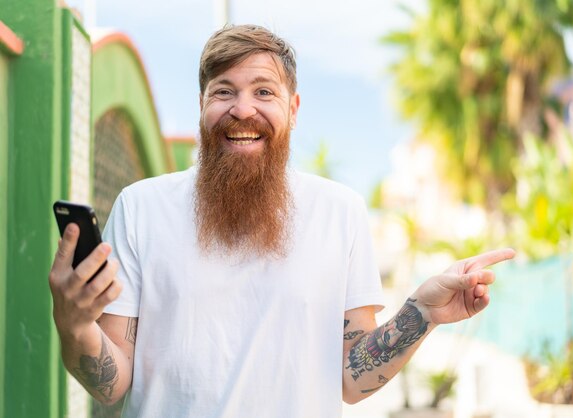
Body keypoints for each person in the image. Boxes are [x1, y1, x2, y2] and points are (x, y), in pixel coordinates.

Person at [48, 24, 515, 418]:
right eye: (224, 91)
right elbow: (111, 384)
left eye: (264, 91)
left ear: (292, 109)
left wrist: (424, 314)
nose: (243, 109)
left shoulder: (341, 212)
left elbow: (352, 377)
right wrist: (74, 324)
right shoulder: (141, 207)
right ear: (201, 106)